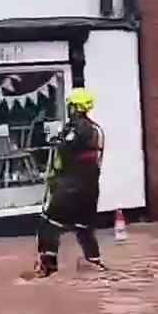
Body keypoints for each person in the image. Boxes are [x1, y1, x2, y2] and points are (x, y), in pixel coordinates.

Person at [27, 88, 106, 279]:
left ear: (75, 107)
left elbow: (65, 146)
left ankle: (47, 268)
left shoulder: (79, 128)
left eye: (71, 105)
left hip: (70, 188)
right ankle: (93, 263)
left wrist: (56, 139)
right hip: (90, 189)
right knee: (84, 229)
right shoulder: (97, 129)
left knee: (49, 224)